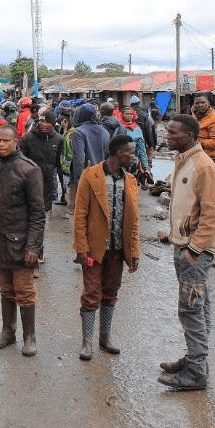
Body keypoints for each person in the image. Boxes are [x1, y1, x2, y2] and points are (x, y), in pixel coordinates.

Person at [158, 114, 215, 391]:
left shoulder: (203, 166)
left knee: (191, 310)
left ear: (190, 136)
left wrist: (194, 250)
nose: (167, 137)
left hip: (194, 251)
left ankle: (196, 371)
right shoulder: (183, 160)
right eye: (167, 132)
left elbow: (213, 212)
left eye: (173, 133)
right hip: (184, 247)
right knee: (199, 308)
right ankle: (196, 360)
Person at [73, 135, 140, 362]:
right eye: (131, 152)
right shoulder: (90, 175)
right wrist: (81, 248)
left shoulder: (130, 180)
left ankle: (105, 337)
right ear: (119, 153)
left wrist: (134, 252)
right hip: (94, 249)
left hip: (118, 249)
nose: (134, 156)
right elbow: (80, 214)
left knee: (111, 292)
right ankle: (86, 341)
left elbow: (134, 220)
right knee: (91, 293)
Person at [0, 126, 44, 356]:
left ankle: (29, 337)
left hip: (22, 243)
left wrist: (33, 247)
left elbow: (38, 213)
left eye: (6, 140)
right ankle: (8, 332)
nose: (0, 144)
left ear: (16, 141)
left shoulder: (29, 170)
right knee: (6, 290)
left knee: (24, 291)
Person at [19, 111, 63, 216]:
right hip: (31, 180)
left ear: (52, 124)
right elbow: (20, 160)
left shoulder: (58, 139)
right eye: (41, 121)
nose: (43, 124)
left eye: (47, 122)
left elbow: (58, 163)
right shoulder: (28, 138)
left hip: (48, 181)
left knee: (44, 210)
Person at [68, 103, 109, 207]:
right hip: (101, 175)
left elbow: (79, 159)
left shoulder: (78, 132)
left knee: (80, 211)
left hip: (85, 177)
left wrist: (78, 181)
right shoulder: (105, 132)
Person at [191, 93, 215, 162]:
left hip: (208, 158)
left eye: (203, 102)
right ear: (194, 104)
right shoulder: (195, 116)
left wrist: (196, 143)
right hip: (195, 156)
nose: (200, 105)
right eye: (197, 103)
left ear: (208, 103)